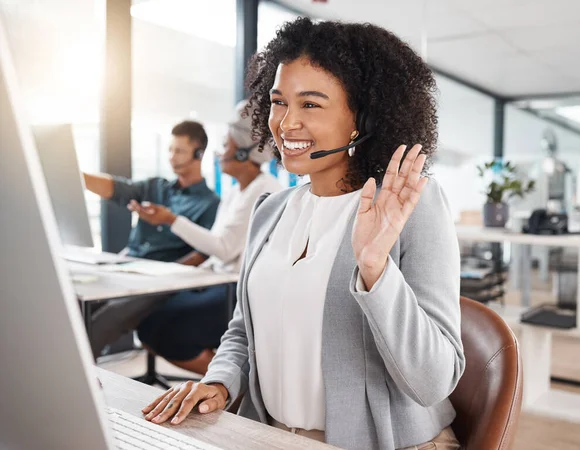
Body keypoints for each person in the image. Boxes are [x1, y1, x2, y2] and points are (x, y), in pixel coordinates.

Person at [141, 18, 464, 450]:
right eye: (278, 102)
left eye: (310, 105)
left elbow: (433, 380)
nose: (286, 123)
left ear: (362, 117)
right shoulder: (271, 210)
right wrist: (219, 383)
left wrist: (375, 269)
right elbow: (243, 331)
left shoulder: (410, 207)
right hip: (267, 435)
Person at [89, 102, 281, 363]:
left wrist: (171, 221)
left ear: (242, 154)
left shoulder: (263, 190)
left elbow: (221, 248)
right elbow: (218, 252)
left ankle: (232, 387)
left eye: (225, 145)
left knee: (155, 325)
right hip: (208, 281)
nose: (219, 152)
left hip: (232, 290)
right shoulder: (235, 192)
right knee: (107, 311)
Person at [83, 120, 220, 265]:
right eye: (170, 150)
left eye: (179, 151)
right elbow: (117, 189)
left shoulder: (210, 204)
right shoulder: (155, 186)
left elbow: (204, 253)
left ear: (199, 154)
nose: (172, 157)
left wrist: (166, 276)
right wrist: (76, 176)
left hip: (162, 276)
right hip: (126, 263)